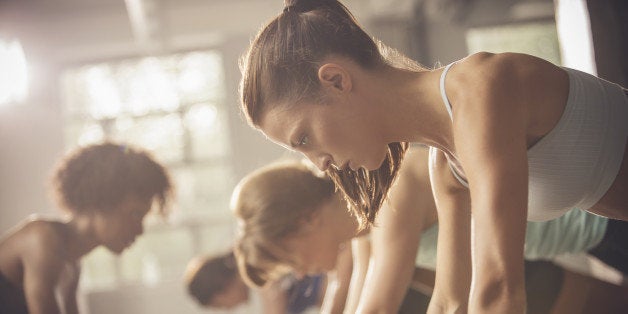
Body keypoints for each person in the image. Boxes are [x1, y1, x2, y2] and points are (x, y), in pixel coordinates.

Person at [237, 0, 628, 312]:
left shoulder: (478, 92)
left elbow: (499, 293)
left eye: (303, 137)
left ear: (337, 81)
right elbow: (449, 301)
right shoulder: (445, 164)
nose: (317, 164)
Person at [231, 147, 628, 313]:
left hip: (603, 214)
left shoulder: (390, 198)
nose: (299, 274)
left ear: (305, 221)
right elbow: (357, 297)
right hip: (590, 235)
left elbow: (378, 306)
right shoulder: (365, 228)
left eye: (288, 260)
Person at [0, 142, 173, 314]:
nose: (140, 230)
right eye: (135, 214)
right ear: (102, 200)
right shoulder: (42, 237)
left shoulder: (73, 265)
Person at [184, 250, 325, 313]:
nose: (228, 310)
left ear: (221, 290)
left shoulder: (253, 261)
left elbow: (275, 296)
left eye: (220, 306)